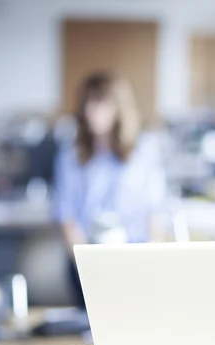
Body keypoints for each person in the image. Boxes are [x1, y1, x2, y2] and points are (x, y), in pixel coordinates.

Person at [54, 71, 167, 309]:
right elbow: (67, 219)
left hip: (135, 260)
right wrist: (88, 266)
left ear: (118, 107)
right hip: (87, 262)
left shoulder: (144, 151)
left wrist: (151, 263)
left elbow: (154, 212)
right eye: (88, 104)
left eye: (100, 103)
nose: (92, 112)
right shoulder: (70, 156)